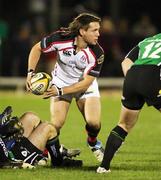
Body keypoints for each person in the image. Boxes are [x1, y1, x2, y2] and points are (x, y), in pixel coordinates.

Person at [26, 13, 105, 162]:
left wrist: (60, 91)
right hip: (61, 82)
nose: (98, 34)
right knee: (56, 124)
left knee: (94, 123)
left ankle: (93, 142)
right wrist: (30, 73)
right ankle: (43, 153)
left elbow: (86, 83)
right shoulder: (60, 38)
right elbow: (37, 48)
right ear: (82, 31)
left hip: (84, 86)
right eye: (94, 30)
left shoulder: (97, 53)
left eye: (98, 30)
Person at [97, 33, 161, 173]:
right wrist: (149, 83)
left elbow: (125, 62)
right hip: (154, 76)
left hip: (132, 76)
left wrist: (136, 81)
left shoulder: (148, 40)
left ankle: (104, 166)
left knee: (124, 125)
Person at [0, 106, 82, 168]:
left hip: (8, 144)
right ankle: (58, 161)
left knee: (30, 117)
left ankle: (45, 154)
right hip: (9, 156)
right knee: (48, 128)